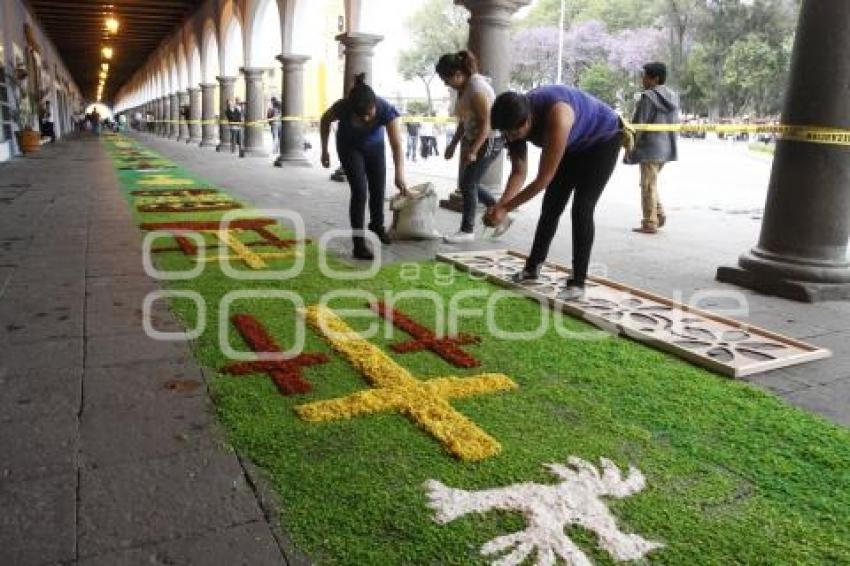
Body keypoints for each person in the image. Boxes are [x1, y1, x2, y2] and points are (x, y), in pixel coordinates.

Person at [484, 85, 623, 301]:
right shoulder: (513, 120)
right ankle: (532, 269)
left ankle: (577, 282)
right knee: (551, 205)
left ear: (528, 120)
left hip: (602, 140)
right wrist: (501, 206)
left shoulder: (558, 115)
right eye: (506, 134)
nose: (510, 138)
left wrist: (505, 208)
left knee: (582, 209)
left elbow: (543, 179)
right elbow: (519, 172)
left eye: (515, 133)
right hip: (572, 144)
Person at [320, 73, 408, 260]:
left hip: (375, 148)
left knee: (378, 189)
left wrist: (400, 174)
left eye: (370, 114)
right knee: (360, 192)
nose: (367, 119)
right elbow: (324, 120)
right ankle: (358, 245)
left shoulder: (385, 109)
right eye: (361, 117)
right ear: (351, 110)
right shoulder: (342, 107)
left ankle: (377, 226)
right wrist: (324, 150)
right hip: (349, 147)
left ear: (375, 104)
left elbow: (396, 144)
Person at [437, 50, 503, 243]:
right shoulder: (464, 88)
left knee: (468, 183)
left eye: (446, 78)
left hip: (490, 139)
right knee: (468, 183)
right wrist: (453, 144)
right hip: (478, 138)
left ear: (458, 74)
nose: (445, 83)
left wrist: (473, 150)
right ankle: (500, 210)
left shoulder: (476, 89)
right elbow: (464, 120)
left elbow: (487, 124)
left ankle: (467, 230)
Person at [626, 62, 679, 234]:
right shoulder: (673, 96)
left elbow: (639, 124)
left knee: (648, 184)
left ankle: (650, 222)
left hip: (650, 147)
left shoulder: (648, 97)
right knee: (650, 183)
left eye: (645, 75)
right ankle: (658, 214)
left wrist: (629, 146)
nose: (642, 79)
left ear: (654, 78)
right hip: (667, 146)